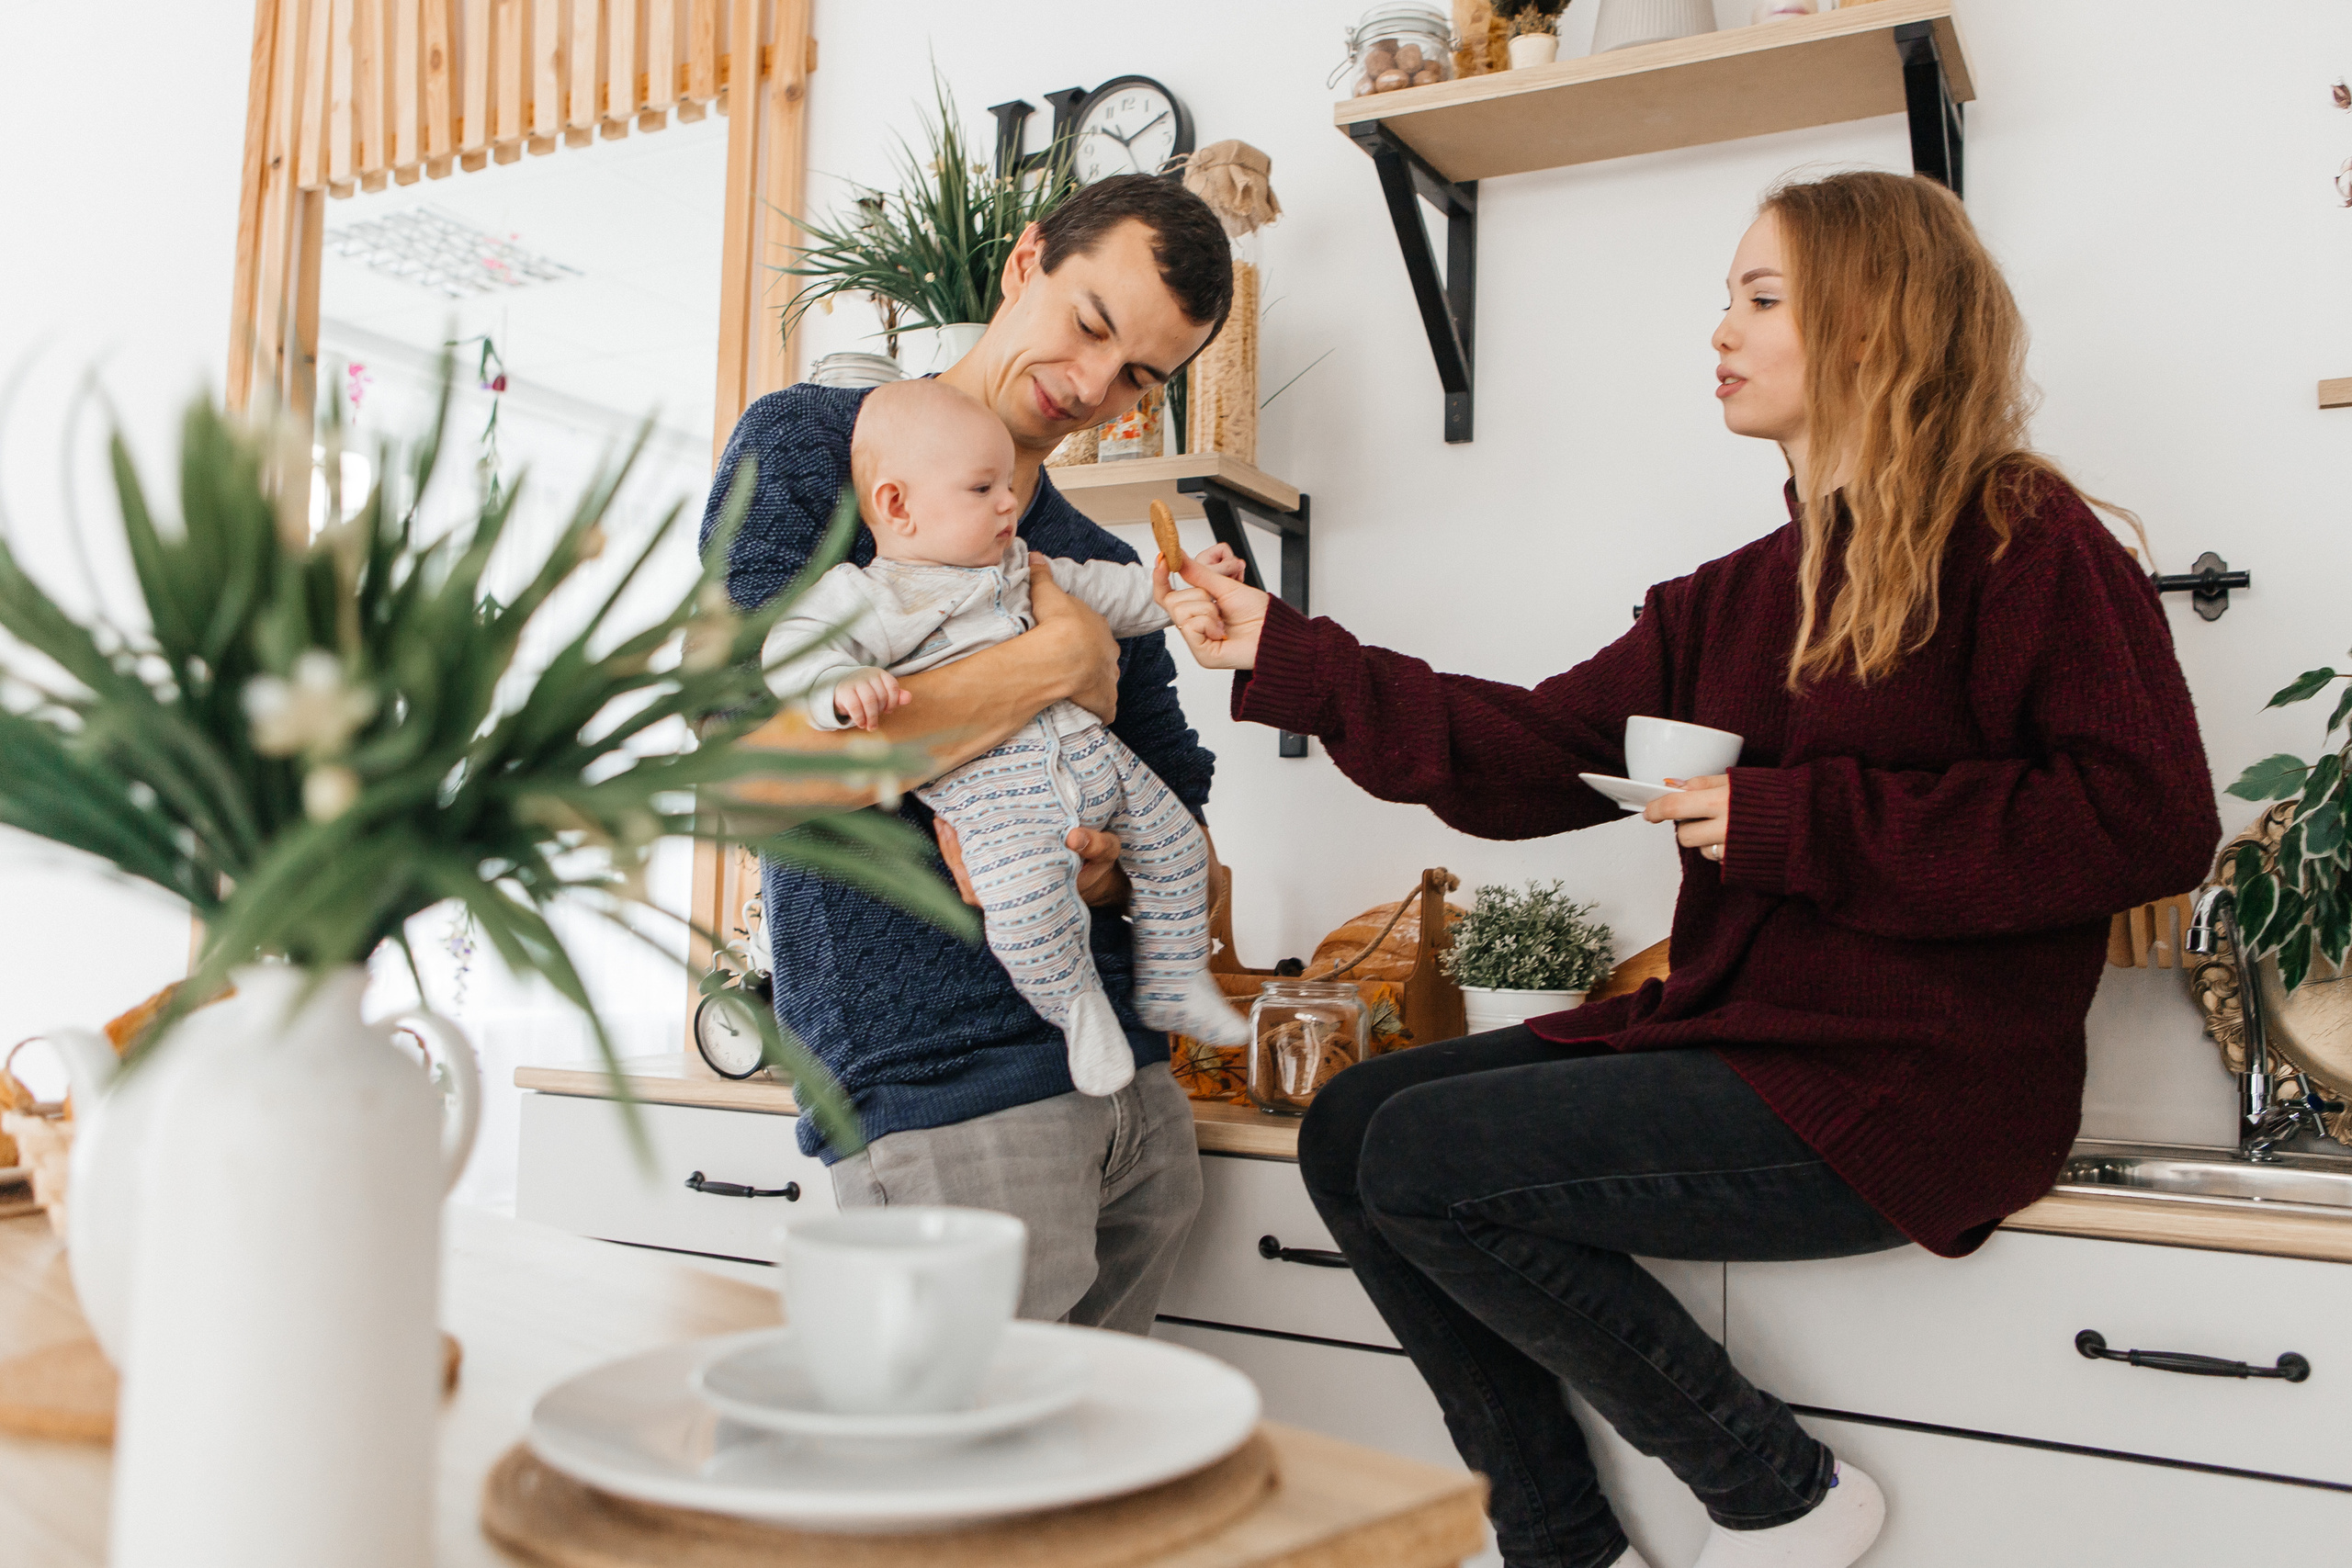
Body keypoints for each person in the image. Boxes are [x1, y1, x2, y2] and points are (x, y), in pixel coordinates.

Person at [1155, 171, 2220, 1568]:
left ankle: (1777, 1488)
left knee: (1421, 1155)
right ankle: (1560, 1537)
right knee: (1354, 1121)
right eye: (1727, 295)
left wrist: (1795, 821)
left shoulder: (2023, 540)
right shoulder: (1730, 597)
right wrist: (1285, 654)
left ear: (1869, 324)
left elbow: (2145, 816)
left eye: (1760, 297)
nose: (1719, 327)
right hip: (1748, 1039)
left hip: (1917, 1082)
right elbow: (1526, 750)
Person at [701, 174, 1235, 1335]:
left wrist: (1110, 862)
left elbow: (1179, 798)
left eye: (1141, 373)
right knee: (949, 1495)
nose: (1095, 386)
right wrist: (1054, 668)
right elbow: (759, 770)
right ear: (1025, 260)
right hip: (937, 1091)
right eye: (1092, 324)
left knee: (1091, 1488)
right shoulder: (816, 449)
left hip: (1137, 1091)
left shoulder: (1085, 553)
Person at [761, 378, 1251, 1095]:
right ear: (898, 505)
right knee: (1026, 910)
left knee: (1176, 847)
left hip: (1096, 760)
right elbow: (790, 649)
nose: (1008, 503)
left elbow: (1114, 592)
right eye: (982, 487)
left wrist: (1180, 590)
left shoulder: (1023, 565)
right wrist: (838, 687)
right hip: (997, 803)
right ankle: (1079, 1010)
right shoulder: (869, 595)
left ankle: (1175, 981)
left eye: (1009, 486)